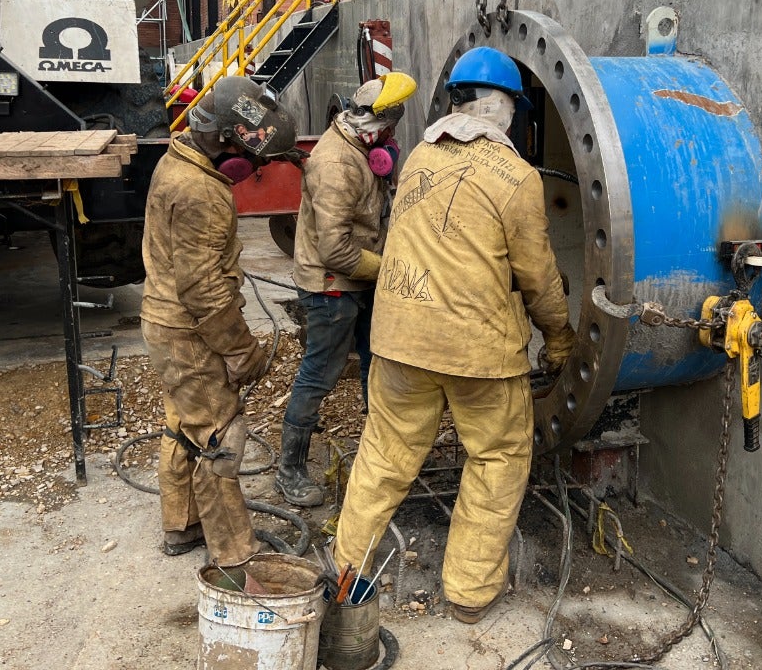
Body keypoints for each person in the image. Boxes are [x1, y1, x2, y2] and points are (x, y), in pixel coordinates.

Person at [331, 47, 578, 623]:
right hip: (478, 351)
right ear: (507, 109)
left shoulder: (418, 157)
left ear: (456, 103)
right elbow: (539, 277)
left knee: (384, 455)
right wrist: (559, 337)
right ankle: (469, 592)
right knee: (496, 458)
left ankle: (347, 575)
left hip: (399, 338)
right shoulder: (517, 178)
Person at [140, 78, 298, 564]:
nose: (253, 168)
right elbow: (203, 291)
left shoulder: (177, 158)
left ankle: (182, 524)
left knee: (183, 423)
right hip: (189, 331)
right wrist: (240, 349)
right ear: (229, 142)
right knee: (219, 436)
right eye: (252, 157)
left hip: (164, 322)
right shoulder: (201, 192)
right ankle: (235, 554)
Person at [275, 72, 418, 507]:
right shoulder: (336, 164)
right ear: (373, 125)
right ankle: (290, 470)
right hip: (332, 284)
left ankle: (380, 457)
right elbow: (334, 249)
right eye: (390, 129)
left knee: (377, 363)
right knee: (321, 371)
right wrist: (390, 270)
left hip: (362, 275)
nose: (392, 139)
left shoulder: (361, 148)